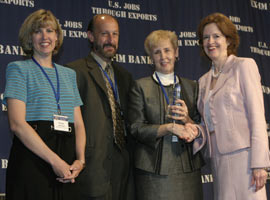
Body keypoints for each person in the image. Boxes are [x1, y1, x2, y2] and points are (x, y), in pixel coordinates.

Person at [3, 9, 86, 200]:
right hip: (33, 158)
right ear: (29, 38)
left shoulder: (69, 74)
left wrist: (80, 161)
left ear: (57, 37)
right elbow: (17, 124)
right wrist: (55, 162)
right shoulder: (18, 69)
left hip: (67, 161)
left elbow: (79, 124)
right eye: (38, 31)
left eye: (49, 30)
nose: (44, 36)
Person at [194, 12, 270, 200]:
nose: (210, 41)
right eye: (206, 37)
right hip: (218, 162)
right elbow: (209, 124)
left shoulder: (244, 66)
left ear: (228, 40)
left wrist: (259, 164)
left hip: (245, 161)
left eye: (216, 36)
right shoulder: (203, 81)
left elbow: (257, 117)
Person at [128, 30, 204, 200]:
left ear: (176, 53)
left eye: (167, 50)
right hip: (153, 173)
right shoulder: (140, 87)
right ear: (151, 57)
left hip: (188, 171)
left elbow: (200, 127)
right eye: (157, 52)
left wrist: (188, 121)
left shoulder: (192, 87)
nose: (163, 56)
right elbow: (136, 128)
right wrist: (169, 127)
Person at [66, 14, 135, 200]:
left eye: (115, 34)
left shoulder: (125, 76)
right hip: (90, 167)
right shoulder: (74, 72)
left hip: (122, 166)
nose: (111, 40)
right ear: (90, 36)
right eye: (104, 34)